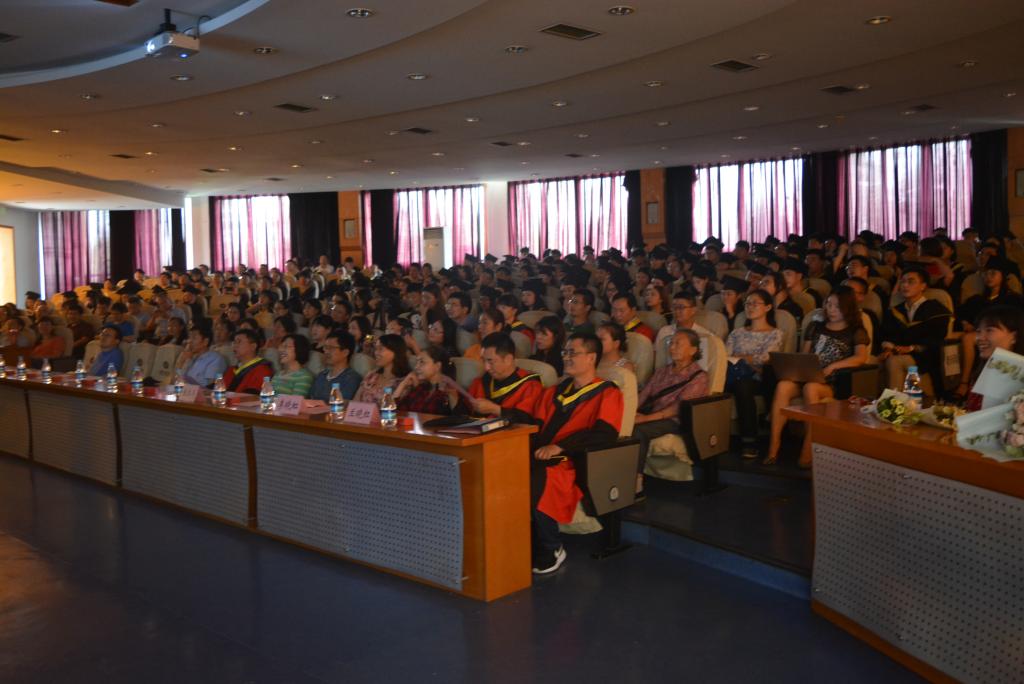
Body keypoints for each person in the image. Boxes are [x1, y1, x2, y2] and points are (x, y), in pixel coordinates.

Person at [528, 333, 623, 574]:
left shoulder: (608, 393)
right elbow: (535, 427)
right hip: (542, 454)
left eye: (573, 353)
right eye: (565, 352)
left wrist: (560, 446)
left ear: (591, 357)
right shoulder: (553, 392)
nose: (566, 357)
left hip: (575, 460)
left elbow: (605, 434)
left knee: (539, 477)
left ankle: (551, 547)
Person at [765, 287, 870, 466]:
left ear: (848, 308)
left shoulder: (856, 330)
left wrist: (833, 366)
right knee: (783, 385)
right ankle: (773, 447)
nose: (832, 309)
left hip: (830, 382)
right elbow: (804, 354)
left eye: (837, 306)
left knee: (811, 388)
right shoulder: (815, 326)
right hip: (807, 375)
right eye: (829, 304)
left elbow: (861, 357)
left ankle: (808, 451)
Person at [631, 329, 710, 490]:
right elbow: (644, 395)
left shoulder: (699, 377)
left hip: (676, 421)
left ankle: (635, 484)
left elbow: (677, 409)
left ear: (693, 350)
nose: (672, 347)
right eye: (671, 343)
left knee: (638, 431)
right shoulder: (662, 371)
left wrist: (644, 419)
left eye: (678, 344)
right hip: (654, 415)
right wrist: (628, 414)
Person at [725, 289, 784, 459]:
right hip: (733, 375)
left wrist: (741, 357)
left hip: (760, 378)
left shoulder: (775, 334)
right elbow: (726, 356)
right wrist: (748, 358)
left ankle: (749, 441)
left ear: (767, 307)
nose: (750, 307)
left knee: (743, 386)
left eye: (755, 303)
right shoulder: (736, 333)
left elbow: (766, 359)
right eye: (747, 304)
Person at [879, 266, 952, 396]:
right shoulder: (895, 311)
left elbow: (937, 337)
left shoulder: (935, 309)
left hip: (926, 355)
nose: (905, 285)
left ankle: (893, 402)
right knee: (888, 359)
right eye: (903, 281)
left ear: (923, 286)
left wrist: (912, 348)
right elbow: (888, 334)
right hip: (899, 353)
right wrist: (888, 348)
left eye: (911, 282)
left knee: (894, 361)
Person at [469, 332, 544, 422]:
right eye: (483, 361)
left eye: (490, 361)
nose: (486, 367)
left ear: (508, 359)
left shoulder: (530, 385)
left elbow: (527, 421)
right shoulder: (482, 381)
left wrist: (495, 409)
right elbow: (464, 413)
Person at [963, 306, 1024, 410]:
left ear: (1014, 337)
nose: (980, 338)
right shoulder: (983, 370)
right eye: (978, 331)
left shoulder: (1019, 375)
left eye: (989, 330)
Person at [393, 345, 466, 414]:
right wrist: (403, 384)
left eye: (422, 362)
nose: (416, 367)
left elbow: (460, 418)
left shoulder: (448, 393)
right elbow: (393, 411)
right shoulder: (419, 389)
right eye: (417, 362)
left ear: (437, 366)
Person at [353, 333, 412, 405]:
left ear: (395, 352)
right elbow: (354, 402)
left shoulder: (404, 382)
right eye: (376, 349)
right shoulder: (371, 376)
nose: (376, 353)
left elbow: (397, 408)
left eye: (380, 349)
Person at [310, 330, 362, 402]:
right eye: (325, 347)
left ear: (345, 352)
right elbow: (311, 400)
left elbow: (341, 404)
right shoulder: (321, 375)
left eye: (331, 348)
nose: (326, 351)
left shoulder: (352, 379)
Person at [173, 324, 228, 388]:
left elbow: (210, 387)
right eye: (189, 337)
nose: (189, 341)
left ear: (205, 341)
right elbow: (174, 382)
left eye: (194, 338)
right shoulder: (190, 358)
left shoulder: (215, 359)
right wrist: (181, 362)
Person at [223, 329, 275, 394]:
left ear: (253, 346)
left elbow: (252, 396)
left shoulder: (262, 370)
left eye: (239, 342)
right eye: (234, 342)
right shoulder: (231, 370)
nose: (235, 345)